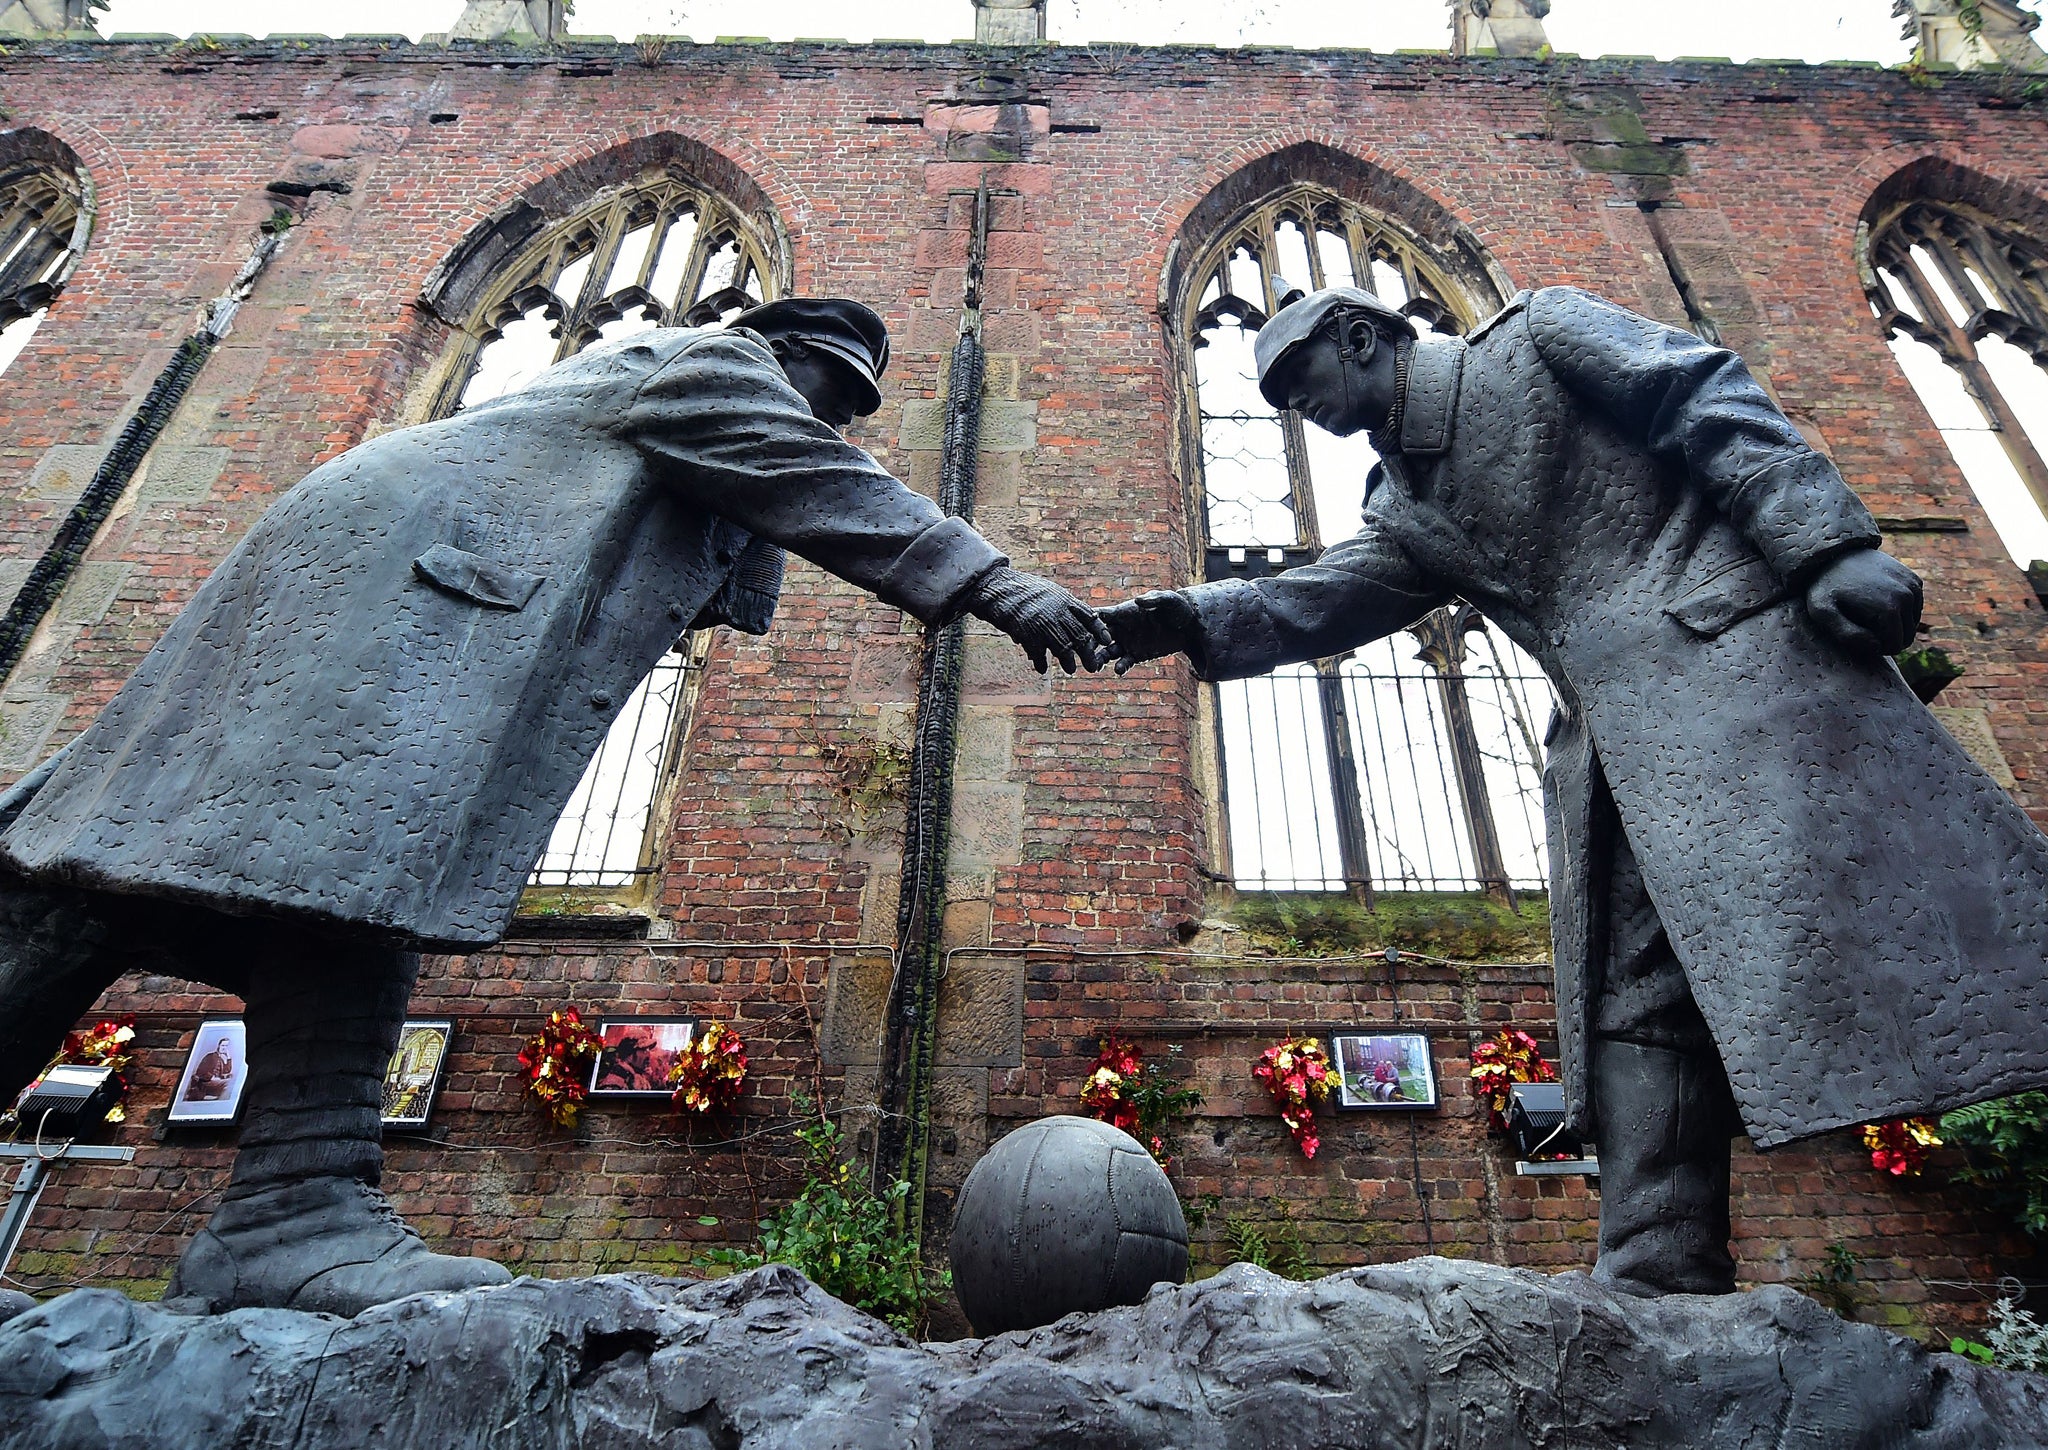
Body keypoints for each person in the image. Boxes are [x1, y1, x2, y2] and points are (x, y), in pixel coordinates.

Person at [0, 296, 1108, 1315]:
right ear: (780, 354)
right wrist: (997, 583)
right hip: (417, 573)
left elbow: (754, 551)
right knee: (329, 854)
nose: (826, 416)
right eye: (825, 389)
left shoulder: (661, 411)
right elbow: (813, 480)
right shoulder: (708, 362)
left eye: (844, 406)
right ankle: (293, 1206)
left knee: (123, 862)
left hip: (410, 570)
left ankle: (292, 1206)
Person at [1100, 280, 2048, 1296]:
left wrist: (1826, 543)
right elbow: (1312, 604)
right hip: (1617, 746)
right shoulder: (1402, 505)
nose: (1299, 411)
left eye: (1299, 380)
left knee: (1940, 912)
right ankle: (1655, 1266)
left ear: (1359, 335)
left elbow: (1697, 391)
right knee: (1631, 994)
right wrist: (1173, 622)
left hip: (1745, 676)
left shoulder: (1538, 339)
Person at [184, 1037, 236, 1102]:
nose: (224, 1048)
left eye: (226, 1046)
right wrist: (211, 1077)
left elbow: (227, 1071)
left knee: (232, 1083)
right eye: (223, 1045)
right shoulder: (210, 1056)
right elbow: (200, 1071)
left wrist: (228, 1058)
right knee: (228, 1083)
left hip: (216, 1083)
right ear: (219, 1045)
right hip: (205, 1082)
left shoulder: (222, 1058)